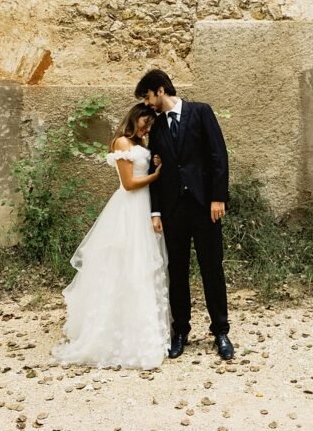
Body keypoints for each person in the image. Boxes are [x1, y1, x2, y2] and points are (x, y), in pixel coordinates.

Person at [53, 103, 171, 369]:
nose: (147, 127)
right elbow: (129, 184)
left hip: (145, 208)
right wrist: (156, 175)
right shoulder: (121, 143)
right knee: (124, 264)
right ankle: (115, 331)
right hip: (129, 209)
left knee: (143, 266)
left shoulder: (142, 144)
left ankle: (145, 328)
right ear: (134, 118)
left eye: (151, 124)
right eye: (145, 122)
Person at [135, 69, 234, 360]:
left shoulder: (201, 112)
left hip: (205, 207)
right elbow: (155, 171)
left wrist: (218, 197)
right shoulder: (157, 127)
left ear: (161, 90)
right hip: (173, 211)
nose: (148, 103)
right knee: (176, 271)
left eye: (149, 96)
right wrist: (155, 210)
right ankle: (180, 331)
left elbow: (219, 156)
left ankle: (221, 331)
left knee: (212, 268)